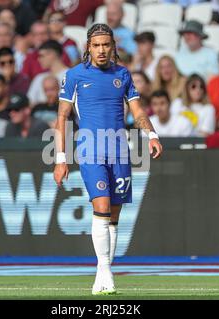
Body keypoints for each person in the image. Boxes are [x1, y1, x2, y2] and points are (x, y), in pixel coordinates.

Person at [54, 24, 163, 295]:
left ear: (113, 46)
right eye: (96, 45)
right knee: (101, 207)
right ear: (88, 48)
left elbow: (136, 109)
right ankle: (104, 270)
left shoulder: (122, 74)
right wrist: (60, 158)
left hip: (119, 150)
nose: (102, 50)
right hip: (90, 149)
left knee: (113, 216)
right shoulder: (75, 76)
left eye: (106, 45)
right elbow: (62, 117)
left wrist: (151, 134)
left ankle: (103, 272)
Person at [27, 40, 69, 105]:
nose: (39, 59)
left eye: (41, 56)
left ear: (52, 55)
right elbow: (30, 103)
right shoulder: (39, 78)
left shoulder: (72, 76)